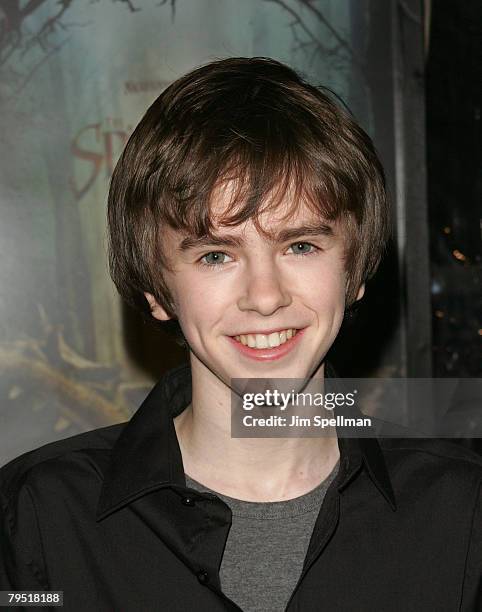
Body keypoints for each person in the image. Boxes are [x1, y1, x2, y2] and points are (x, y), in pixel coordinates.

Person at [1, 57, 480, 611]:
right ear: (156, 291)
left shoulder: (462, 510)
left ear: (354, 272)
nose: (265, 295)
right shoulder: (41, 515)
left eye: (300, 245)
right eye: (215, 255)